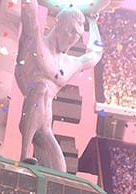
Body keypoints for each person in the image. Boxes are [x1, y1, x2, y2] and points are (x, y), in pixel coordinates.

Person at [16, 0, 105, 171]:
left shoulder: (69, 63)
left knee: (59, 170)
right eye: (71, 31)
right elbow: (29, 11)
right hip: (31, 111)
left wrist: (93, 23)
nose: (73, 38)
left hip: (45, 125)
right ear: (60, 24)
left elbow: (95, 55)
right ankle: (24, 153)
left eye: (77, 35)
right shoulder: (38, 42)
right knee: (41, 89)